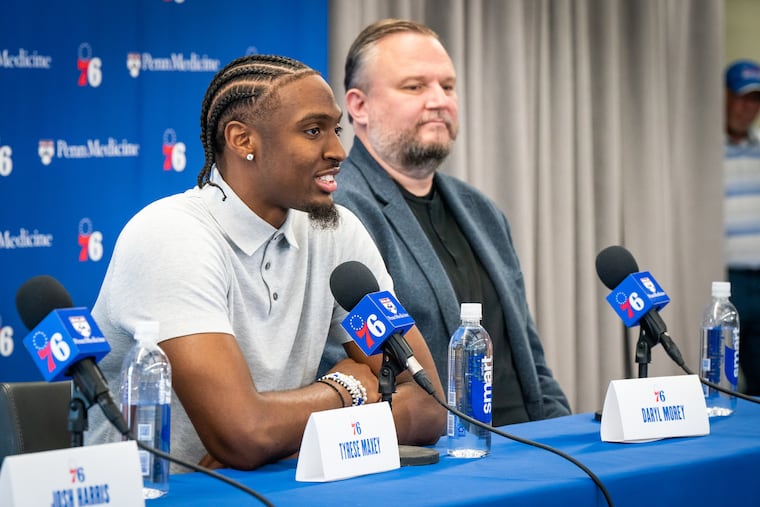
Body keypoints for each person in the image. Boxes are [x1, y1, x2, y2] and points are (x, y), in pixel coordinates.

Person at [86, 54, 446, 470]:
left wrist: (289, 443)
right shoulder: (171, 235)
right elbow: (245, 435)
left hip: (267, 484)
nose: (338, 151)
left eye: (336, 129)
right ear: (243, 140)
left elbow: (427, 403)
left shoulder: (336, 230)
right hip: (154, 495)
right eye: (313, 131)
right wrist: (346, 387)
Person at [329, 19, 570, 426]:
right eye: (415, 86)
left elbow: (527, 352)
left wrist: (560, 430)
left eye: (448, 86)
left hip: (529, 446)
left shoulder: (482, 210)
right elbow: (341, 363)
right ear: (358, 105)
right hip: (434, 463)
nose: (439, 100)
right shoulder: (338, 213)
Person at [724, 59, 760, 395]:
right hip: (726, 280)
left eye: (755, 100)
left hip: (759, 278)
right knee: (725, 370)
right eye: (742, 97)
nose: (747, 108)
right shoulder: (705, 151)